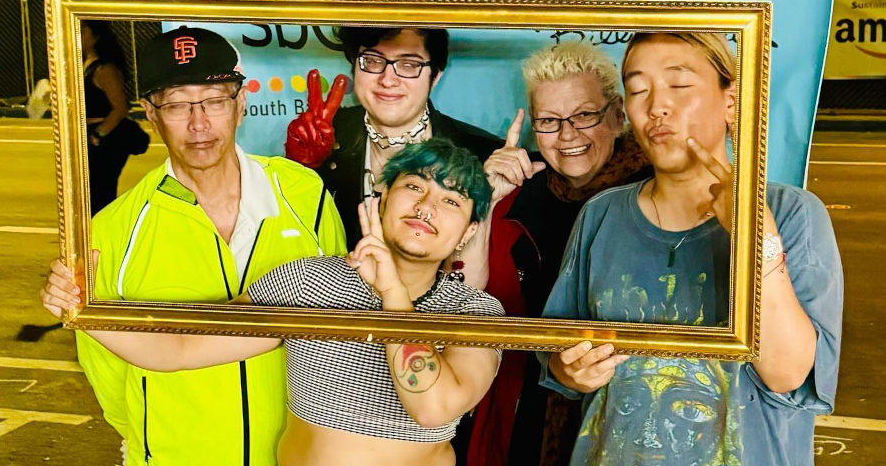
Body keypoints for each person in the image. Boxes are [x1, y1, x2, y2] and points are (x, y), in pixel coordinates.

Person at [43, 138, 504, 466]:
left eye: (452, 200)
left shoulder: (478, 315)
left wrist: (393, 296)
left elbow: (433, 408)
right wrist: (86, 309)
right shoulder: (310, 282)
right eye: (415, 186)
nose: (427, 206)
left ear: (466, 234)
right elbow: (182, 346)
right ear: (381, 199)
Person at [539, 32, 843, 465]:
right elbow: (558, 355)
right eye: (638, 89)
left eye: (679, 85)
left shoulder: (792, 212)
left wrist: (755, 234)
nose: (656, 106)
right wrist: (570, 368)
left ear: (731, 102)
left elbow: (786, 374)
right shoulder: (601, 215)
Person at [57, 26, 346, 466]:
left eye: (214, 100)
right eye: (176, 105)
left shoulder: (305, 194)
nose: (199, 123)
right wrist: (156, 443)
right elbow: (107, 374)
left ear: (241, 103)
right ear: (149, 114)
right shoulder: (114, 229)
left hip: (298, 454)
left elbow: (339, 325)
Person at [465, 42, 650, 466]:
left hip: (627, 414)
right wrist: (484, 205)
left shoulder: (656, 191)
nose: (567, 136)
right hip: (523, 410)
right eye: (549, 121)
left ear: (617, 114)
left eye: (584, 115)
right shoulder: (517, 190)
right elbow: (466, 298)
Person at [286, 26, 502, 248]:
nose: (387, 80)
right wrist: (300, 171)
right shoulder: (323, 133)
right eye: (372, 60)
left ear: (435, 75)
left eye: (409, 65)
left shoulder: (482, 155)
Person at [82, 20, 133, 214]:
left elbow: (120, 108)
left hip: (103, 141)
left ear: (94, 37)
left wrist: (99, 135)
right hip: (91, 138)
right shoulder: (87, 67)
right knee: (93, 196)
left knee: (101, 196)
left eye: (83, 33)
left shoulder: (104, 70)